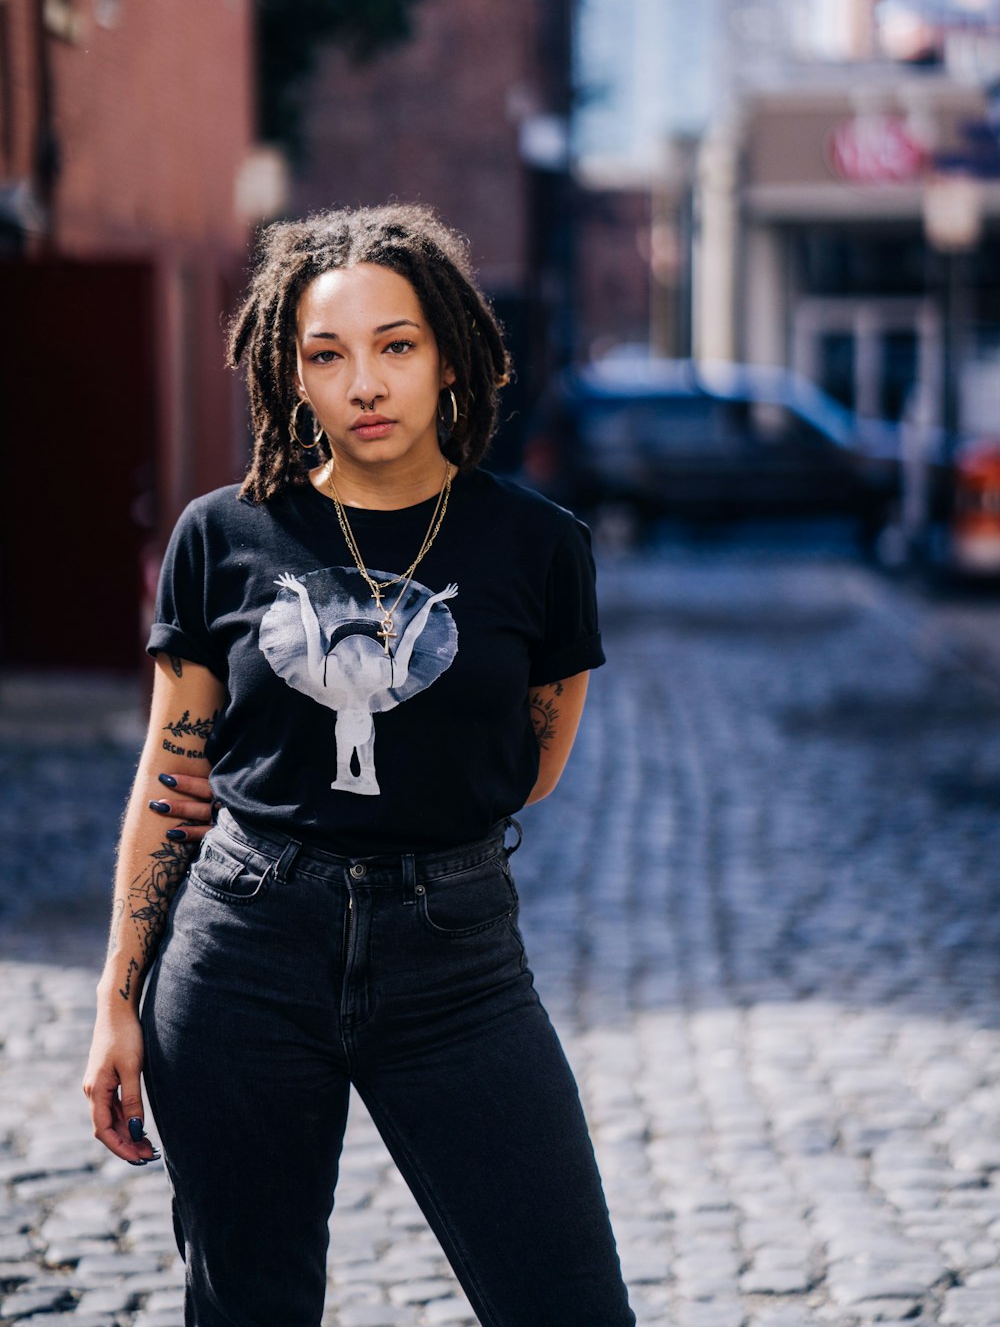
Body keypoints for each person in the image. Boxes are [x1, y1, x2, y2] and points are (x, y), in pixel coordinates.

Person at [83, 203, 635, 1327]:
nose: (364, 384)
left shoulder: (538, 547)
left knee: (566, 1299)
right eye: (327, 355)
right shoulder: (220, 536)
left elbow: (530, 762)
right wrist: (117, 998)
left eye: (395, 345)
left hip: (457, 961)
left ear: (448, 356)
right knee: (249, 1309)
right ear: (292, 374)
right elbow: (166, 777)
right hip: (243, 950)